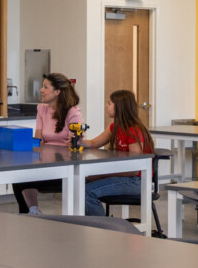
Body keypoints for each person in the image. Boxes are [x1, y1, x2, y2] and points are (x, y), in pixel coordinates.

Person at [13, 73, 84, 214]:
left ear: (57, 92)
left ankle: (32, 212)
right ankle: (32, 211)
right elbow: (38, 140)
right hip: (44, 163)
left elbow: (75, 144)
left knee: (23, 179)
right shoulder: (42, 108)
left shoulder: (73, 112)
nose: (41, 90)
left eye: (45, 87)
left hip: (65, 166)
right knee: (18, 177)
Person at [81, 90, 154, 218]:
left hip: (137, 181)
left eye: (109, 103)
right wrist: (77, 141)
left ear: (119, 106)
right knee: (78, 186)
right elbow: (93, 143)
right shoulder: (115, 126)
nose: (106, 106)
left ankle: (104, 231)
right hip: (125, 177)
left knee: (87, 192)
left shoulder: (133, 130)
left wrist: (100, 176)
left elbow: (134, 169)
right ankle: (89, 226)